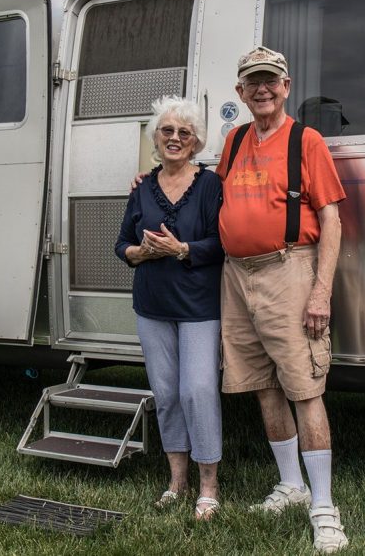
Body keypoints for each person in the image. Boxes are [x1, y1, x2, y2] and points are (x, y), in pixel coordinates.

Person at [216, 46, 348, 552]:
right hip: (237, 276)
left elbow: (332, 219)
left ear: (286, 87)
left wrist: (321, 291)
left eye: (271, 80)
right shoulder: (234, 140)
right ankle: (291, 486)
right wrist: (153, 176)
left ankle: (324, 507)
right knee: (264, 387)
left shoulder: (305, 140)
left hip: (289, 270)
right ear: (240, 91)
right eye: (253, 82)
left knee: (304, 388)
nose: (262, 89)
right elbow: (216, 196)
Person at [115, 95, 224, 521]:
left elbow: (221, 243)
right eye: (167, 130)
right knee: (166, 393)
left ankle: (209, 485)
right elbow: (122, 243)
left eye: (184, 132)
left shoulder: (210, 185)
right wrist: (139, 253)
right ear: (156, 138)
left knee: (198, 391)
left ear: (196, 142)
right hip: (152, 305)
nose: (175, 138)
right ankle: (177, 481)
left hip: (199, 306)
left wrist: (181, 250)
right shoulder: (142, 187)